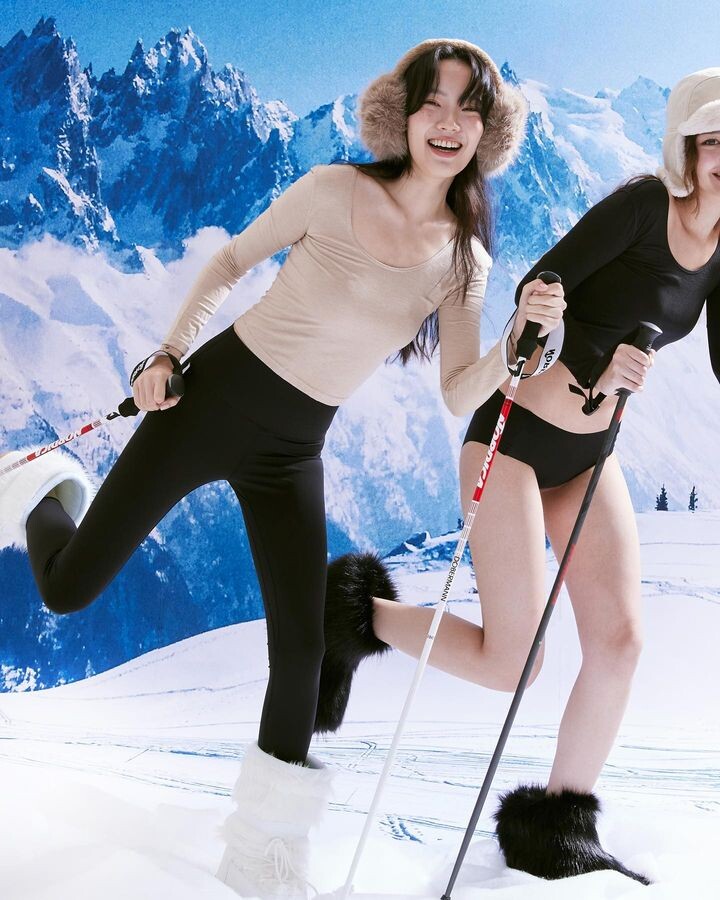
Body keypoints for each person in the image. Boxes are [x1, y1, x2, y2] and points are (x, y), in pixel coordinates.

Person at [0, 39, 565, 899]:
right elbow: (232, 261)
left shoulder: (465, 261)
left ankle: (265, 858)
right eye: (433, 103)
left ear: (487, 133)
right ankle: (40, 488)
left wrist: (519, 342)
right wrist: (167, 353)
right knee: (68, 589)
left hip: (295, 449)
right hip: (208, 402)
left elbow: (459, 389)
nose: (448, 123)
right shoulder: (335, 188)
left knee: (302, 650)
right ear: (403, 116)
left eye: (469, 109)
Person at [320, 68, 720, 885]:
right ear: (688, 148)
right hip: (514, 441)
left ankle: (557, 831)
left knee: (620, 641)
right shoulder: (644, 207)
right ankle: (354, 616)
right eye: (717, 142)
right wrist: (595, 357)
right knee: (515, 663)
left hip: (590, 456)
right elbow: (546, 282)